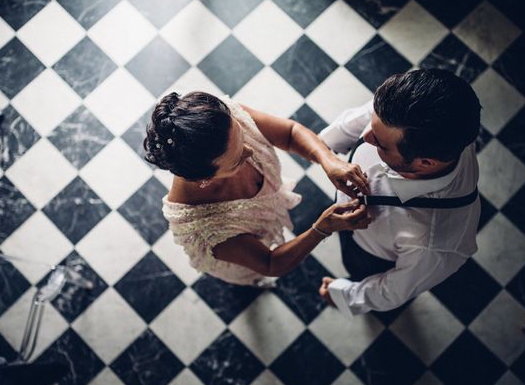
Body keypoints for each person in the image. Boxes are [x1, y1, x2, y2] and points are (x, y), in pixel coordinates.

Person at [145, 91, 372, 286]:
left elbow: (290, 133)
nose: (250, 151)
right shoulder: (205, 228)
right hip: (247, 261)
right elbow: (269, 263)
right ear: (204, 179)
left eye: (243, 136)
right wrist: (322, 228)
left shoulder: (222, 124)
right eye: (236, 160)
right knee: (251, 275)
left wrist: (328, 161)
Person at [317, 68, 482, 317]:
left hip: (370, 255)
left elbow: (390, 292)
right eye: (373, 120)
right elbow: (359, 122)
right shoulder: (405, 110)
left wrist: (343, 294)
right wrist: (324, 149)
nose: (364, 136)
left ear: (425, 163)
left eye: (381, 144)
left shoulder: (436, 243)